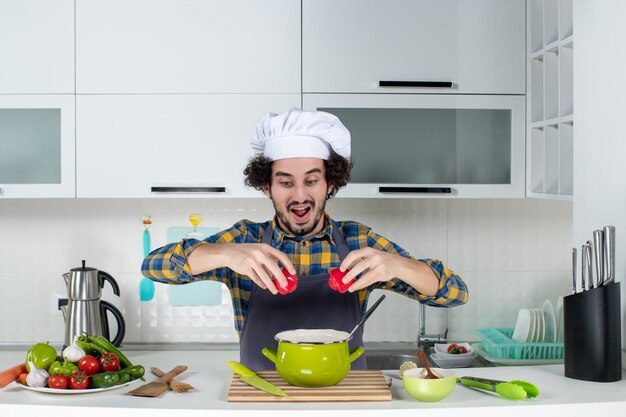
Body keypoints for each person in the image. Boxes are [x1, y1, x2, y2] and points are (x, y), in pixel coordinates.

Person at [142, 108, 468, 370]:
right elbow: (152, 266)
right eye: (286, 183)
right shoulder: (245, 239)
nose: (300, 196)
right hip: (264, 401)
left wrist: (397, 265)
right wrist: (226, 254)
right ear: (266, 187)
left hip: (343, 400)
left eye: (312, 180)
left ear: (330, 184)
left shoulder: (358, 241)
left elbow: (454, 293)